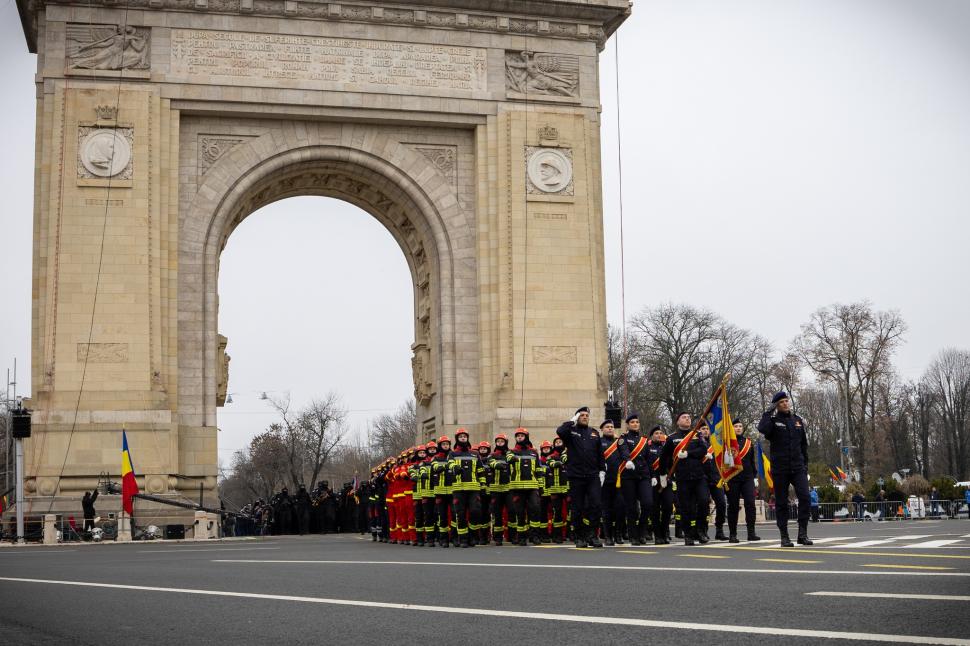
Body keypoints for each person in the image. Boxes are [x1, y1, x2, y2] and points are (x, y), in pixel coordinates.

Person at [758, 391, 813, 547]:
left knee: (805, 497)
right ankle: (784, 536)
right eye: (781, 402)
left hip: (798, 467)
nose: (785, 404)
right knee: (781, 503)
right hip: (780, 469)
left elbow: (803, 445)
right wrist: (768, 412)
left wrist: (805, 465)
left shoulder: (797, 420)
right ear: (777, 405)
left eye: (786, 401)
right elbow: (762, 428)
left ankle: (802, 534)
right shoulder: (773, 422)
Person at [556, 406, 605, 548]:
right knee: (577, 507)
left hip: (592, 475)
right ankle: (579, 537)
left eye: (586, 415)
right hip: (576, 476)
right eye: (582, 415)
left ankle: (592, 535)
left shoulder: (594, 433)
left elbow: (600, 454)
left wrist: (602, 470)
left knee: (596, 505)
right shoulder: (570, 431)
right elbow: (560, 431)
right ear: (577, 417)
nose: (585, 417)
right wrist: (572, 421)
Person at [661, 411, 709, 546]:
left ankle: (700, 531)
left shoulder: (697, 435)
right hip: (683, 477)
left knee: (704, 501)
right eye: (684, 417)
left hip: (699, 475)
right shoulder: (671, 438)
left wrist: (689, 453)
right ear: (678, 421)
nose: (687, 419)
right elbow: (664, 457)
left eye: (688, 417)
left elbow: (703, 450)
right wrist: (663, 475)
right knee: (686, 507)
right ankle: (688, 534)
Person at [619, 413, 654, 546]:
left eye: (637, 422)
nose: (635, 424)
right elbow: (623, 450)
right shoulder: (623, 438)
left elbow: (649, 460)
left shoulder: (644, 440)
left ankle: (642, 531)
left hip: (643, 476)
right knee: (631, 508)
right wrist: (628, 460)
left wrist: (653, 476)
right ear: (628, 425)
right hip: (629, 477)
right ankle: (633, 535)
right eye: (632, 422)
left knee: (648, 503)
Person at [725, 421, 761, 543]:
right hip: (733, 477)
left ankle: (751, 533)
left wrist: (754, 476)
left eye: (740, 426)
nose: (738, 428)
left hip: (747, 477)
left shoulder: (748, 442)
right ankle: (733, 534)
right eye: (736, 426)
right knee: (733, 506)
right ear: (732, 428)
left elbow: (751, 460)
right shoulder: (727, 442)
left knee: (750, 504)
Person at [507, 428, 543, 546]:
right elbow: (508, 458)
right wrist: (512, 458)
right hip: (517, 488)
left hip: (532, 487)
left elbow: (538, 469)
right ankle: (522, 537)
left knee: (535, 510)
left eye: (522, 436)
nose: (520, 437)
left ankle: (535, 536)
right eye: (518, 436)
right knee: (520, 513)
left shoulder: (534, 452)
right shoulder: (511, 451)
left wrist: (541, 486)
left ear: (526, 437)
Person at [449, 429, 483, 548]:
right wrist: (455, 467)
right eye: (460, 436)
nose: (463, 438)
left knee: (475, 511)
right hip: (458, 489)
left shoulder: (475, 454)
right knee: (460, 514)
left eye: (464, 436)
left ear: (467, 438)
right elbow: (450, 464)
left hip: (473, 488)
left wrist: (483, 485)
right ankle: (463, 538)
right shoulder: (452, 454)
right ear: (457, 439)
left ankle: (473, 536)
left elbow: (480, 470)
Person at [599, 419, 630, 546]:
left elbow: (625, 453)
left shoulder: (619, 442)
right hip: (605, 480)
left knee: (620, 508)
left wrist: (628, 460)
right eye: (607, 427)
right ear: (602, 429)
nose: (610, 428)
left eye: (611, 427)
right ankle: (608, 536)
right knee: (606, 510)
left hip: (619, 480)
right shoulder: (598, 442)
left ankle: (618, 534)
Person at [697, 421, 728, 541]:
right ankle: (702, 530)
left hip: (715, 477)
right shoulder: (696, 442)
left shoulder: (716, 443)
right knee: (704, 503)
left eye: (707, 429)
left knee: (721, 503)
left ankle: (719, 529)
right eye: (703, 429)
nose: (705, 431)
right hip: (702, 477)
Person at [647, 425, 673, 544]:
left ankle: (664, 532)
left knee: (668, 507)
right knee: (655, 509)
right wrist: (651, 476)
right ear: (652, 436)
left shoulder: (666, 447)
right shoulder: (648, 447)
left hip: (666, 480)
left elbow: (671, 463)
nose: (659, 435)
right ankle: (657, 535)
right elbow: (647, 463)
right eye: (656, 433)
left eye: (660, 433)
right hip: (653, 481)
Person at [430, 436, 454, 547]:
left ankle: (454, 537)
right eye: (443, 444)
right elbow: (434, 468)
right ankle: (443, 539)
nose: (445, 446)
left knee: (454, 515)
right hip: (440, 492)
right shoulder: (435, 458)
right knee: (442, 516)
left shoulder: (453, 456)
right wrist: (441, 468)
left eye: (447, 444)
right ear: (440, 446)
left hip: (453, 491)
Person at [543, 437, 569, 543]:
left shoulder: (568, 454)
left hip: (567, 489)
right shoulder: (551, 456)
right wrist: (559, 463)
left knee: (568, 513)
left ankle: (568, 534)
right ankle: (557, 535)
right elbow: (551, 463)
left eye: (560, 442)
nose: (558, 444)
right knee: (557, 513)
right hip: (555, 489)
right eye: (556, 442)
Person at [489, 434, 512, 546]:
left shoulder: (510, 454)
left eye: (502, 441)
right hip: (496, 489)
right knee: (497, 514)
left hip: (509, 488)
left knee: (512, 512)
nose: (500, 443)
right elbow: (490, 462)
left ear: (506, 443)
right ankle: (498, 537)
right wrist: (497, 465)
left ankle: (512, 536)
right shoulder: (492, 455)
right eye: (498, 441)